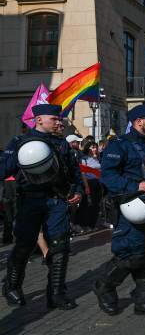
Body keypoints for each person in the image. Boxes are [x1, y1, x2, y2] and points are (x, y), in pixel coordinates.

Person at [92, 104, 145, 317]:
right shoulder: (119, 145)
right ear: (139, 122)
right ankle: (105, 285)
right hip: (130, 209)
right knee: (132, 255)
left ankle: (143, 300)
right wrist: (134, 187)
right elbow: (108, 176)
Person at [1, 104, 83, 309]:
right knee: (25, 244)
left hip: (56, 201)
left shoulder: (62, 144)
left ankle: (56, 293)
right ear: (38, 120)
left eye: (59, 119)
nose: (59, 122)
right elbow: (3, 169)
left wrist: (78, 191)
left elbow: (74, 173)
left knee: (60, 246)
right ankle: (12, 286)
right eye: (54, 119)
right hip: (30, 200)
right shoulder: (20, 141)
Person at [75, 139, 103, 232]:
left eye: (95, 147)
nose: (95, 149)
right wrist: (86, 186)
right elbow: (83, 173)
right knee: (86, 205)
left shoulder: (96, 158)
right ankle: (82, 224)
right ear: (88, 148)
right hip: (89, 183)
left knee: (96, 205)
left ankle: (92, 224)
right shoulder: (84, 159)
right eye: (93, 147)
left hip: (97, 183)